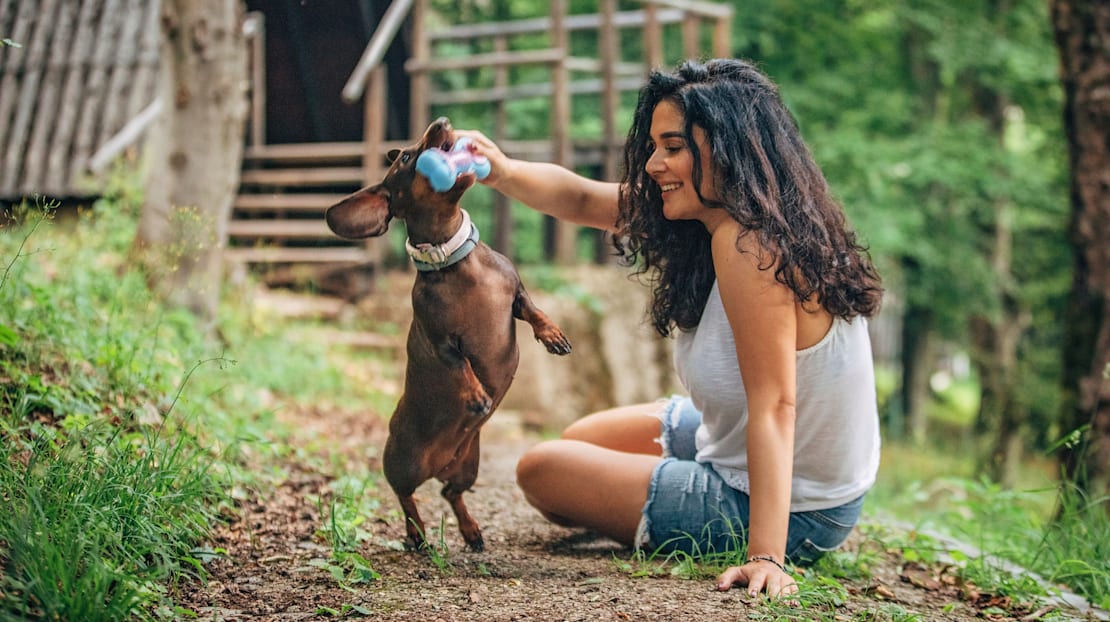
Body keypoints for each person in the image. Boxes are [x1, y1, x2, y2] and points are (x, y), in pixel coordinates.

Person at [456, 58, 883, 599]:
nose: (654, 164)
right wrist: (499, 169)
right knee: (582, 441)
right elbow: (582, 198)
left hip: (805, 509)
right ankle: (666, 492)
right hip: (743, 442)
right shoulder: (726, 217)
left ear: (730, 150)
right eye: (654, 145)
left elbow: (776, 404)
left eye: (673, 147)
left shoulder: (753, 245)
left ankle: (718, 514)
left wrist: (765, 557)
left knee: (543, 469)